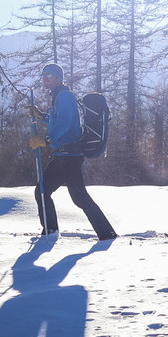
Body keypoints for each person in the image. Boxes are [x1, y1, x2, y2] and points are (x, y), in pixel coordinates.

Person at [30, 63, 117, 241]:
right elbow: (58, 121)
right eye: (43, 75)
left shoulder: (65, 96)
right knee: (43, 191)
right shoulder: (58, 96)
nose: (44, 79)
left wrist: (46, 140)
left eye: (48, 75)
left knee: (79, 197)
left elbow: (65, 122)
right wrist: (41, 116)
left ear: (58, 78)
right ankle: (50, 230)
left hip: (70, 156)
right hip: (63, 155)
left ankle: (107, 233)